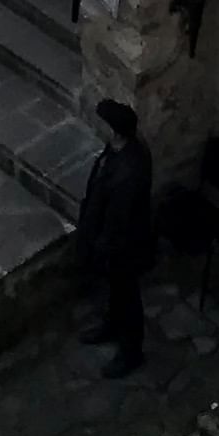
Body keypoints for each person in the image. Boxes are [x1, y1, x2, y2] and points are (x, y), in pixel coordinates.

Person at [75, 96, 155, 379]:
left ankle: (131, 352)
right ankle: (112, 324)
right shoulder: (117, 152)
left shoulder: (129, 171)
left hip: (124, 246)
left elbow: (118, 219)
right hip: (111, 241)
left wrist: (102, 246)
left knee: (127, 295)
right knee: (116, 292)